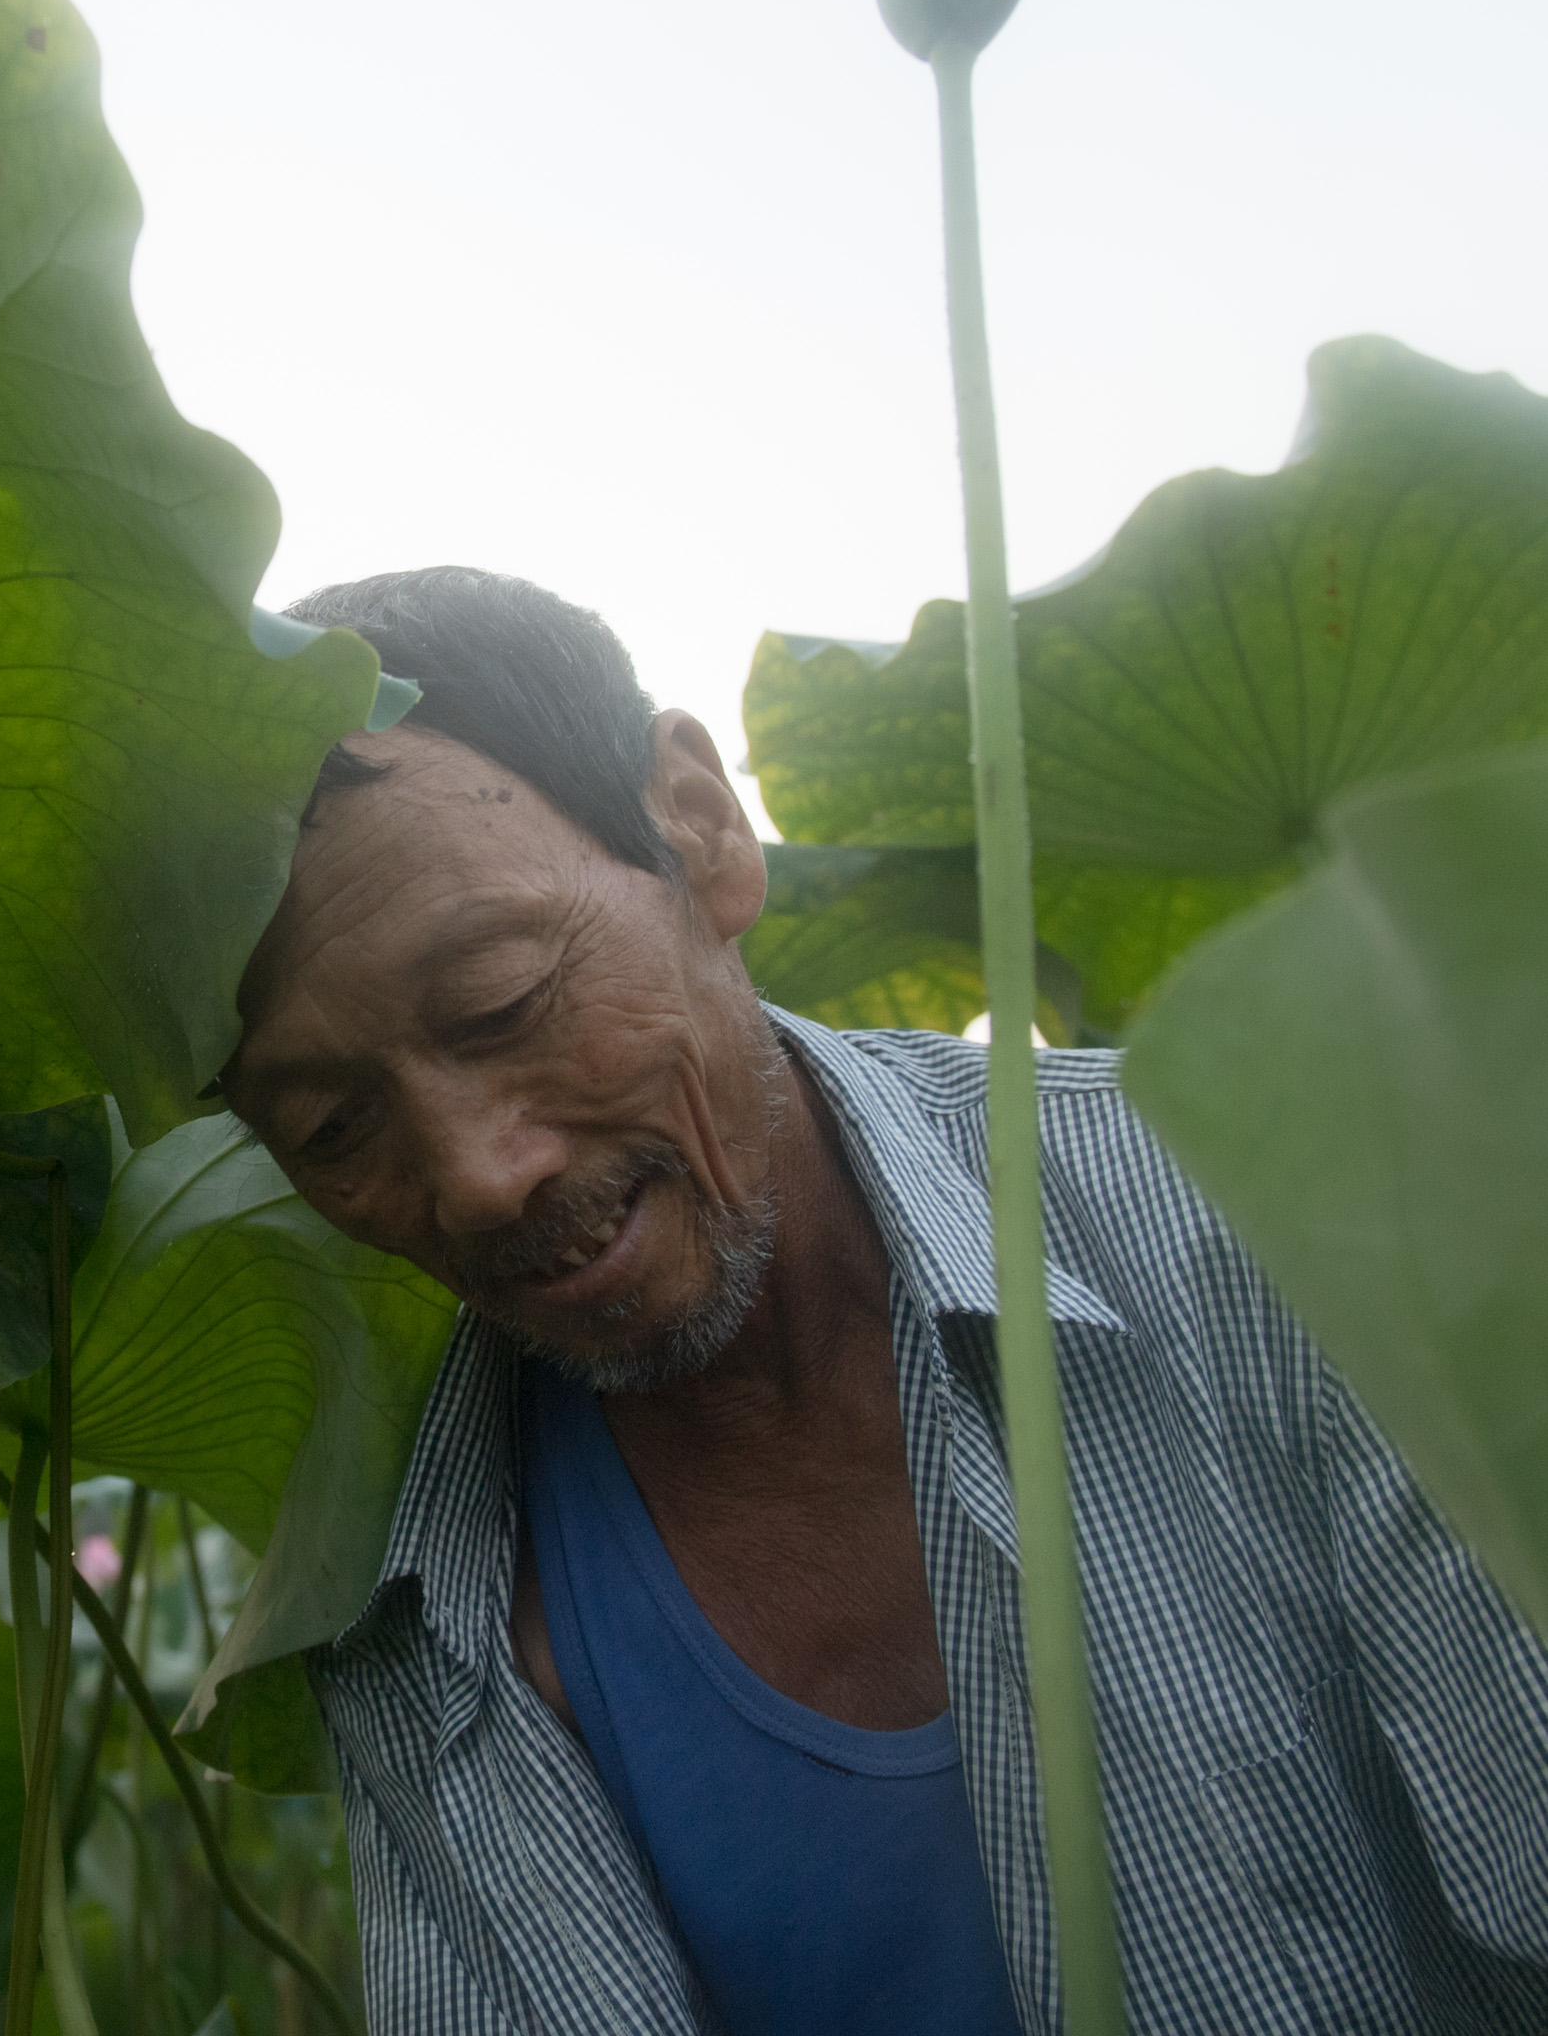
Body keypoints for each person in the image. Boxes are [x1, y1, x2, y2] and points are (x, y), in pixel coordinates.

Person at [218, 567, 1548, 2035]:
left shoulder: (1286, 1222)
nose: (473, 1180)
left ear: (700, 830)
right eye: (332, 1131)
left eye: (500, 1004)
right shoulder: (413, 1620)